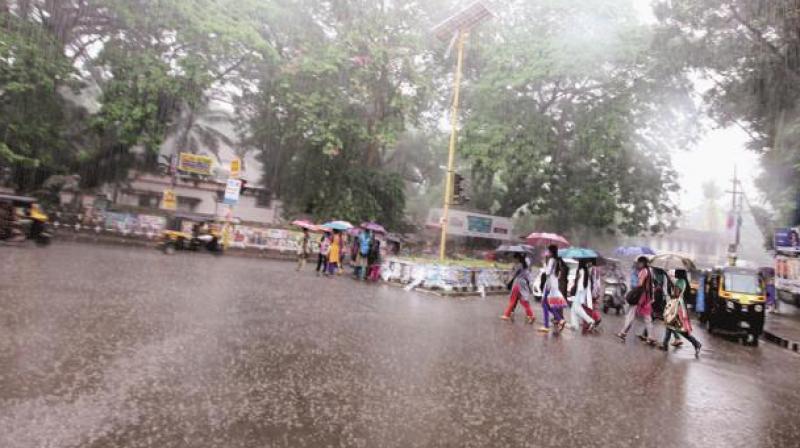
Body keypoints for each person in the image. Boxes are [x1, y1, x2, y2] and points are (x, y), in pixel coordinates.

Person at [617, 256, 657, 346]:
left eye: (639, 263)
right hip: (646, 297)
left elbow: (640, 284)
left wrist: (634, 292)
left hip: (640, 297)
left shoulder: (643, 271)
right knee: (647, 318)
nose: (638, 264)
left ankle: (623, 332)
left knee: (632, 315)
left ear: (643, 263)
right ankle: (650, 336)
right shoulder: (650, 271)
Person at [661, 269, 703, 357]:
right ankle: (665, 344)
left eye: (676, 272)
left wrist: (671, 288)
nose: (675, 273)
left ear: (679, 273)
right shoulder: (683, 281)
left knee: (677, 327)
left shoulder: (679, 281)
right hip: (680, 305)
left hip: (676, 306)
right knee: (671, 325)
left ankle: (696, 343)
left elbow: (676, 294)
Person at [540, 245, 568, 333]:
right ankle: (560, 320)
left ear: (551, 252)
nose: (547, 252)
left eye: (548, 251)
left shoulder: (552, 260)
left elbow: (547, 272)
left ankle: (546, 325)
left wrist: (544, 263)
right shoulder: (558, 260)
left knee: (544, 304)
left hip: (550, 285)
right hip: (553, 284)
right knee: (546, 305)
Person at [501, 253, 536, 324]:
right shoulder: (525, 266)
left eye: (515, 259)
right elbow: (528, 277)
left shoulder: (519, 265)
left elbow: (513, 274)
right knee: (524, 301)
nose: (514, 260)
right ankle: (531, 315)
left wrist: (513, 268)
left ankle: (506, 314)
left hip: (517, 284)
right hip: (523, 284)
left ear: (517, 258)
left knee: (512, 300)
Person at [571, 259, 597, 333]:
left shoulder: (581, 271)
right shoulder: (586, 270)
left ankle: (590, 321)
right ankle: (574, 325)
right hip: (582, 291)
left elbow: (580, 284)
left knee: (577, 307)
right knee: (573, 308)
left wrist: (577, 279)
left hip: (580, 291)